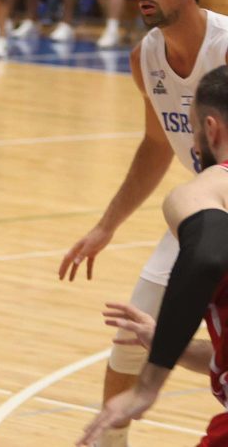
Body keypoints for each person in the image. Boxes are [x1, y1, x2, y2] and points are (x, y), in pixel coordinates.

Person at [58, 0, 228, 447]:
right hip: (209, 212)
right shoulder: (145, 57)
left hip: (216, 207)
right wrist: (106, 226)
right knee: (132, 338)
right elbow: (157, 145)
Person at [77, 65, 228, 447]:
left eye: (193, 130)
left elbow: (206, 257)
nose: (194, 146)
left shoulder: (207, 189)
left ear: (211, 129)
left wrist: (148, 383)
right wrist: (167, 341)